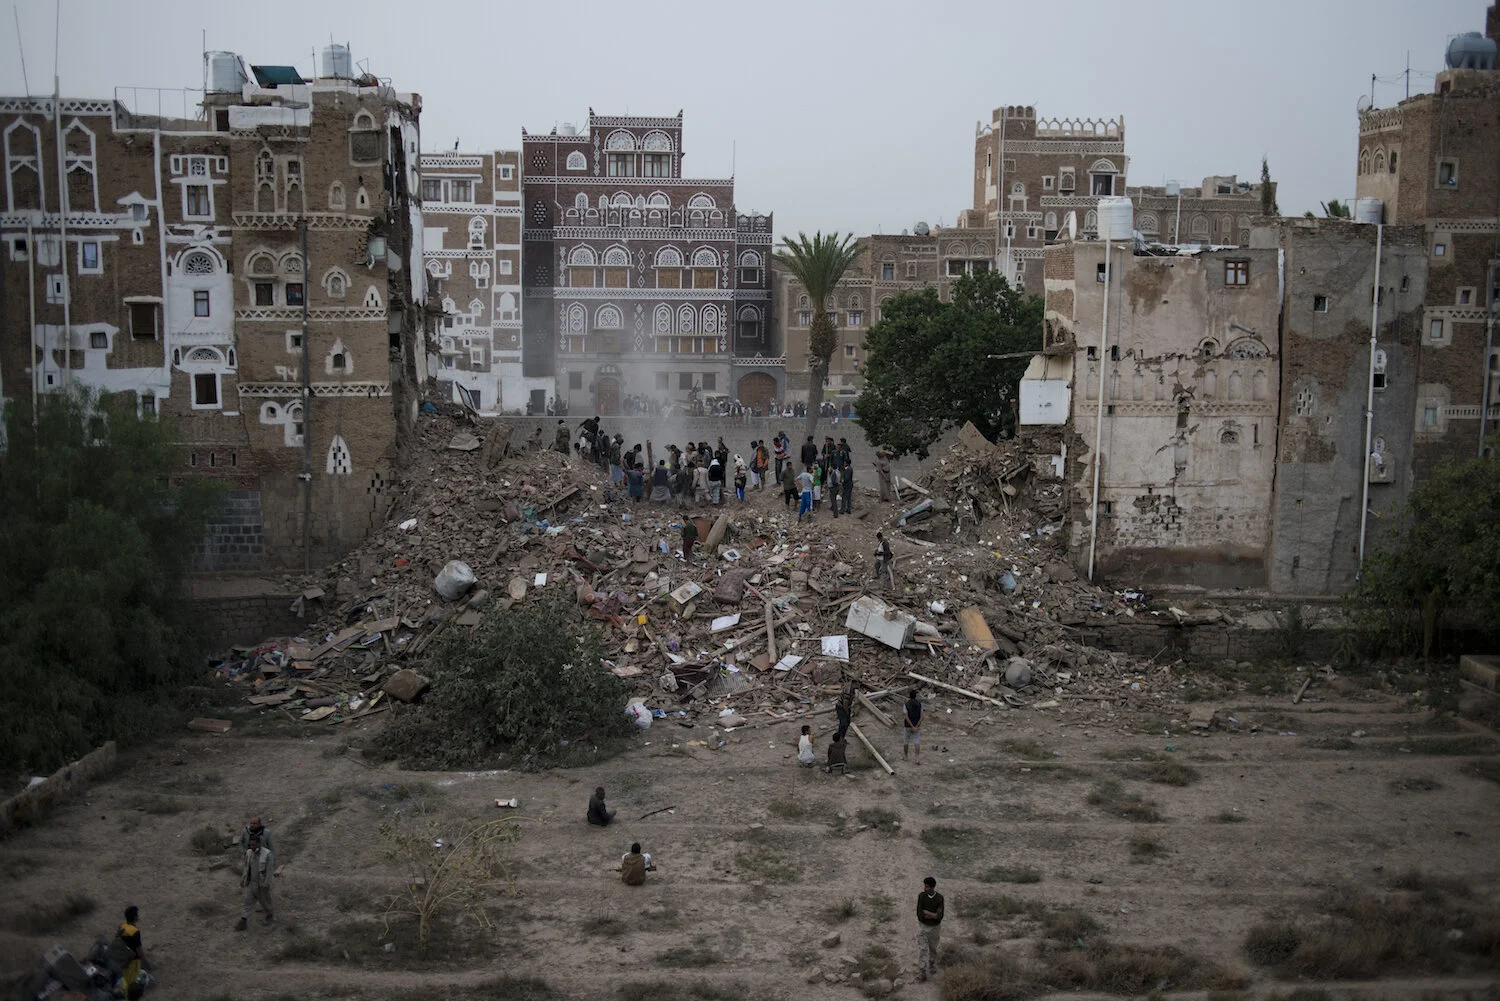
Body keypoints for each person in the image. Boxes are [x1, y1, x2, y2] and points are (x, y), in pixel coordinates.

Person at [236, 835, 274, 930]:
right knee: (247, 901)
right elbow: (246, 867)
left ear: (259, 843)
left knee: (265, 902)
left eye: (253, 845)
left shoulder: (267, 854)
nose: (252, 847)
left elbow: (269, 870)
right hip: (251, 883)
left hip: (261, 883)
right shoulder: (249, 853)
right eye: (250, 845)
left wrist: (266, 883)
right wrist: (243, 879)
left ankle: (270, 917)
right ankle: (243, 921)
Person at [916, 877, 945, 982]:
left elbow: (939, 916)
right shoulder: (921, 896)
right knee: (922, 949)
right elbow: (919, 914)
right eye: (924, 885)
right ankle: (922, 972)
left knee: (933, 949)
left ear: (932, 887)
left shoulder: (939, 898)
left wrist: (927, 913)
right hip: (923, 928)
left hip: (935, 929)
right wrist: (932, 915)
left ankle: (931, 964)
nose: (924, 888)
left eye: (927, 886)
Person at [117, 906, 147, 997]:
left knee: (126, 978)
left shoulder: (122, 926)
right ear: (135, 917)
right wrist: (145, 961)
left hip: (123, 958)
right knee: (132, 981)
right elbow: (139, 949)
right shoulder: (135, 932)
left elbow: (117, 939)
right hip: (133, 960)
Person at [903, 688, 922, 763]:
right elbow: (922, 717)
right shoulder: (920, 704)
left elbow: (906, 717)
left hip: (908, 726)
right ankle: (917, 758)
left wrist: (911, 726)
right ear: (915, 696)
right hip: (917, 725)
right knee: (916, 741)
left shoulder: (906, 705)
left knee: (906, 741)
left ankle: (906, 756)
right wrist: (916, 726)